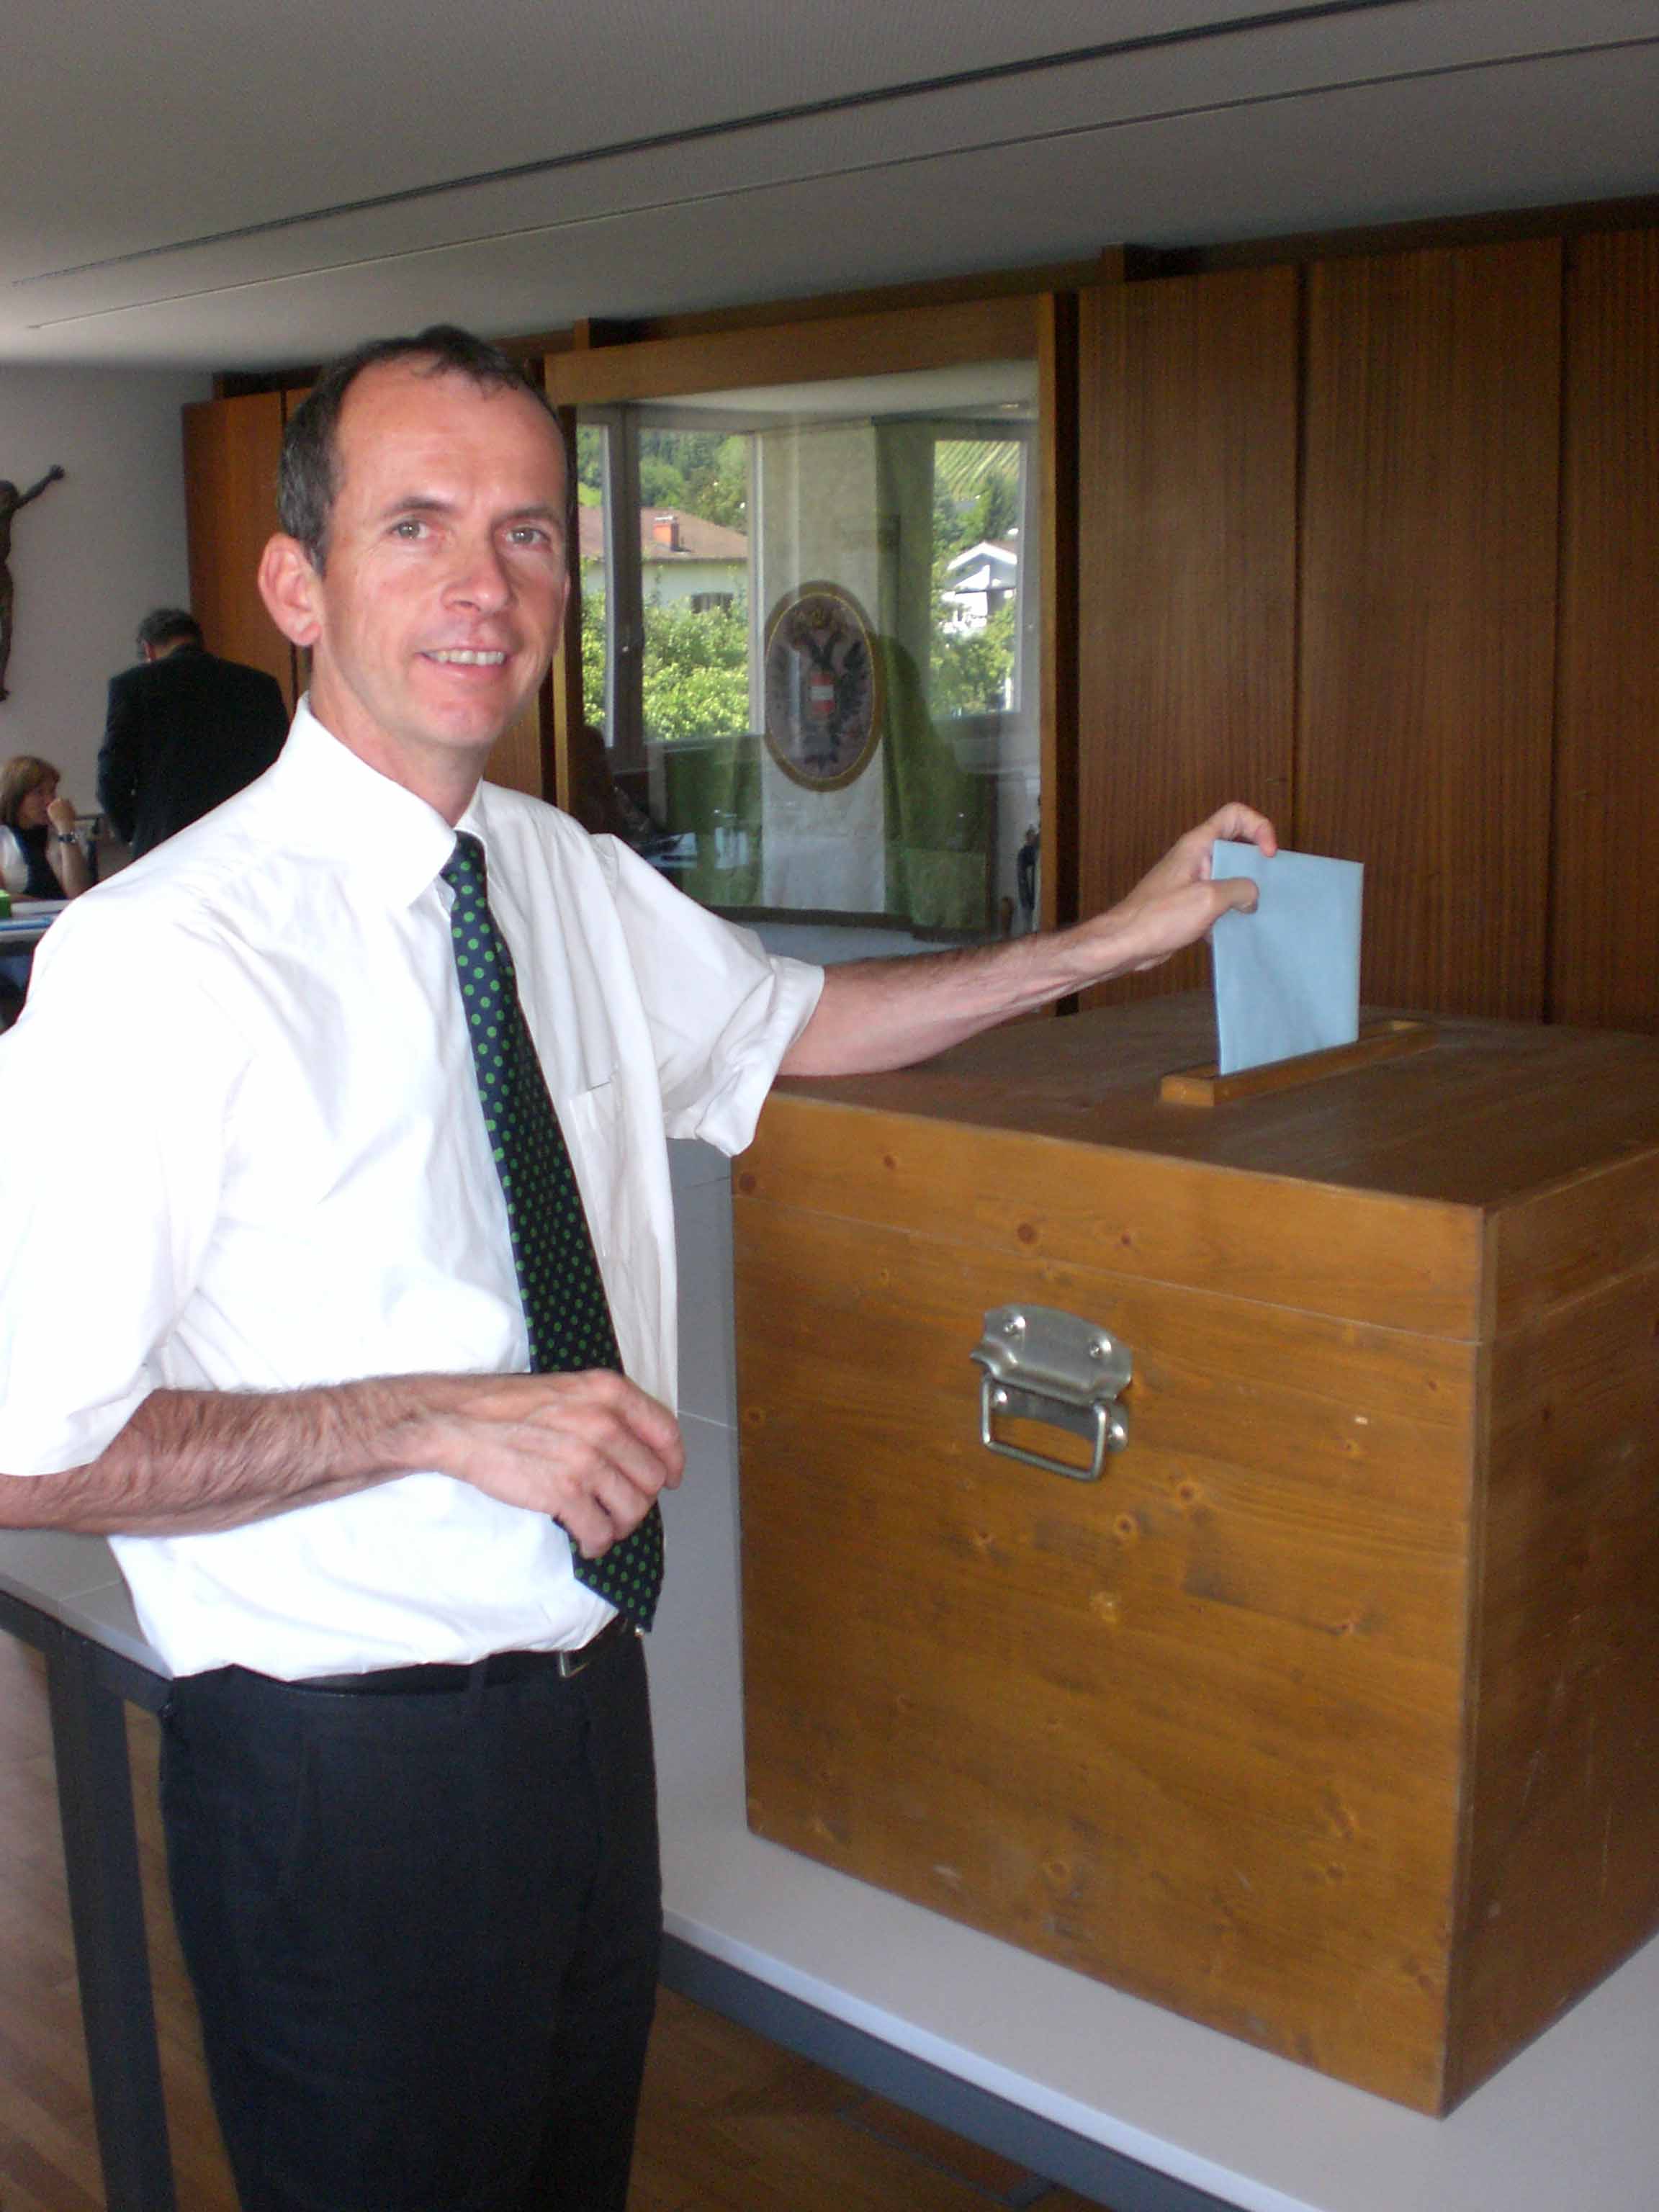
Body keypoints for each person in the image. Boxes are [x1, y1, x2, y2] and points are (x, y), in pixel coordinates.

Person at [0, 325, 1274, 2212]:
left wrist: (1107, 943)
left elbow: (801, 1022)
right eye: (417, 523)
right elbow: (24, 1453)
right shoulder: (161, 964)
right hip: (342, 1784)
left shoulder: (560, 875)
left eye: (526, 532)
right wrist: (432, 1421)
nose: (483, 583)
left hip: (591, 1708)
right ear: (296, 584)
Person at [97, 608, 289, 858]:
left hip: (168, 842)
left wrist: (137, 829)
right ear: (199, 641)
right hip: (248, 843)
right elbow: (283, 766)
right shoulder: (260, 686)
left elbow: (112, 777)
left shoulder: (133, 686)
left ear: (148, 650)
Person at [0, 464, 65, 701]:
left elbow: (30, 496)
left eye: (9, 498)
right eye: (3, 497)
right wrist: (49, 478)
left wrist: (49, 479)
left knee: (7, 630)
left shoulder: (7, 513)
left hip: (2, 577)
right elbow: (28, 496)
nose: (7, 502)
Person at [0, 754, 93, 901]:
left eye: (52, 791)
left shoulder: (68, 835)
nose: (50, 801)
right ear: (16, 797)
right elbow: (3, 900)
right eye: (39, 793)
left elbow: (78, 896)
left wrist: (65, 827)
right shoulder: (3, 839)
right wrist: (38, 904)